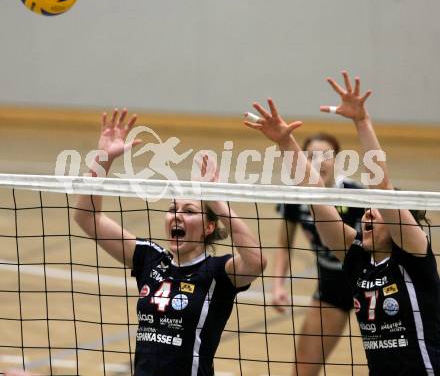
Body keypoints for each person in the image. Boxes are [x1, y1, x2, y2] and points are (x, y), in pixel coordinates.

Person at [245, 71, 440, 375]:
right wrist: (286, 143)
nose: (368, 214)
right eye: (367, 211)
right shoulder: (358, 258)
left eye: (378, 211)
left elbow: (383, 189)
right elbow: (317, 199)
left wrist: (362, 122)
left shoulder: (414, 260)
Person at [74, 109, 267, 376]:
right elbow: (87, 217)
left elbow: (256, 261)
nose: (177, 216)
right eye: (172, 209)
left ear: (209, 227)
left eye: (188, 211)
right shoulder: (149, 258)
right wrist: (102, 159)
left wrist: (218, 202)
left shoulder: (217, 273)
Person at [272, 132, 364, 376]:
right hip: (332, 288)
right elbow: (284, 244)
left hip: (369, 285)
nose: (319, 162)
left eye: (326, 156)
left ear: (338, 161)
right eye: (311, 156)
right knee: (302, 372)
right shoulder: (296, 196)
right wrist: (278, 285)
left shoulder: (357, 195)